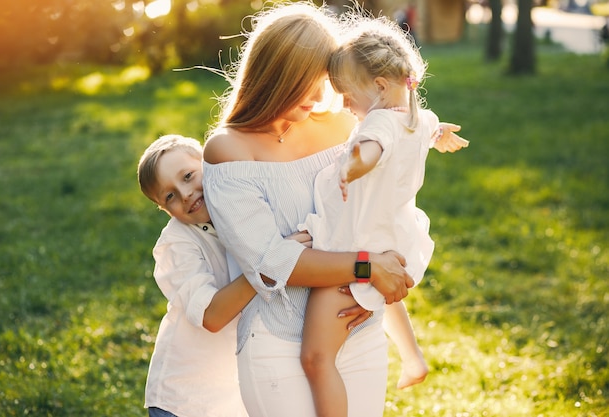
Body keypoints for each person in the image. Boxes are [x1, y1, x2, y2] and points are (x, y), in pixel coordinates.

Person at [201, 3, 417, 417]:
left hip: (357, 327)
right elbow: (271, 262)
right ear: (275, 77)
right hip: (278, 344)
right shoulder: (229, 151)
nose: (321, 97)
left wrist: (381, 280)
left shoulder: (344, 125)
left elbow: (384, 206)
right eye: (307, 83)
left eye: (327, 83)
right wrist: (367, 267)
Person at [297, 15, 469, 417]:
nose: (342, 103)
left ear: (378, 87)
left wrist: (351, 166)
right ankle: (413, 358)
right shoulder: (418, 117)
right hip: (393, 233)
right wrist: (439, 132)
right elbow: (421, 129)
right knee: (387, 296)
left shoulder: (376, 121)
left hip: (358, 238)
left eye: (345, 93)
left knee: (316, 357)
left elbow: (373, 148)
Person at [138, 135, 313, 417]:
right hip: (185, 401)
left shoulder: (243, 208)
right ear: (163, 209)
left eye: (188, 176)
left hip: (239, 394)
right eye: (169, 196)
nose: (185, 194)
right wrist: (271, 262)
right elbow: (213, 316)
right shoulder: (177, 244)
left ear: (210, 165)